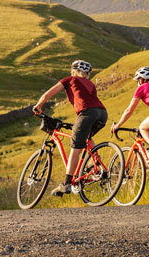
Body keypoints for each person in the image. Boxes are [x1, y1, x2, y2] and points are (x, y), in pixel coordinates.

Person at [33, 60, 108, 197]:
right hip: (102, 114)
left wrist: (39, 105)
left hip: (87, 113)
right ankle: (96, 165)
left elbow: (49, 94)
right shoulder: (90, 84)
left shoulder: (69, 79)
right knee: (87, 138)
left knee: (75, 148)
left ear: (73, 70)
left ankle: (66, 183)